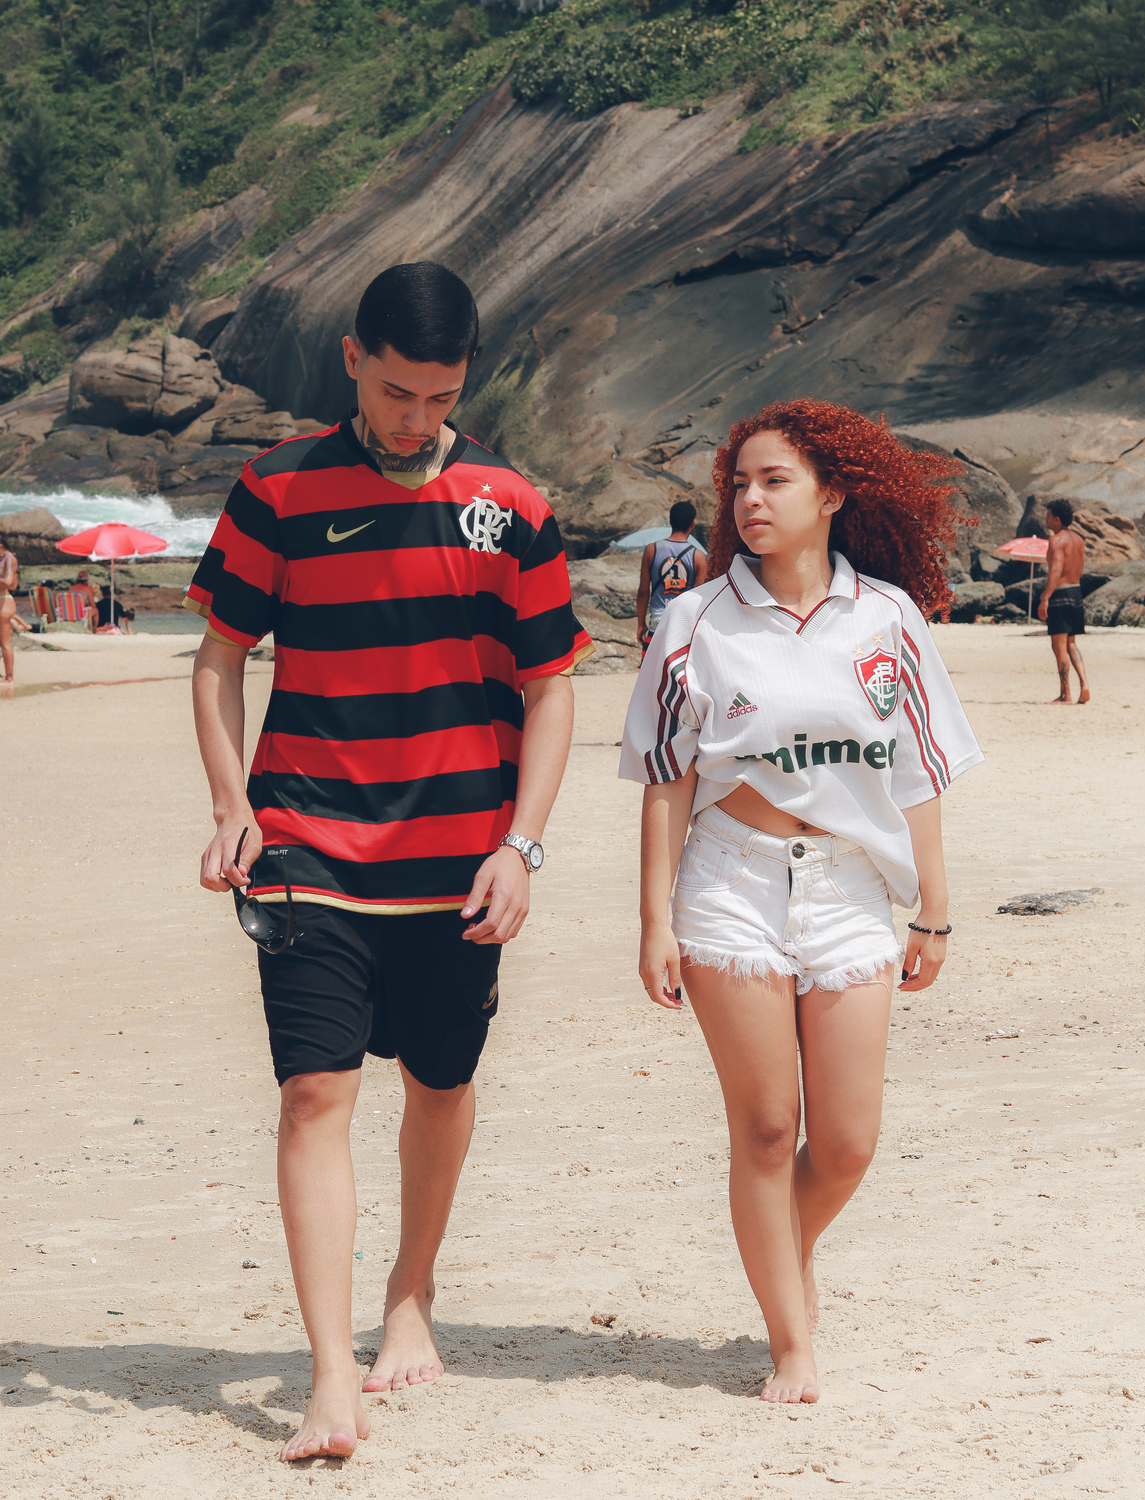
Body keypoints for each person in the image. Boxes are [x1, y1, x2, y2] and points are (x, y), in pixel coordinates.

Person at [187, 262, 592, 1464]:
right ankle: (330, 1375)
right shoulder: (276, 488)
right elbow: (219, 657)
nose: (415, 418)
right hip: (308, 841)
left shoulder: (511, 505)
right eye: (396, 391)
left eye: (441, 396)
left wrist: (522, 845)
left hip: (460, 858)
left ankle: (410, 1293)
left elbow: (551, 687)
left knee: (440, 1083)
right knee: (314, 1092)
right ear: (353, 358)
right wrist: (232, 806)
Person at [620, 400, 983, 1405]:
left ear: (832, 495)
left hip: (851, 886)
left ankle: (783, 1247)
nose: (751, 499)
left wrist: (934, 909)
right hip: (728, 881)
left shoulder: (888, 618)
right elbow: (666, 781)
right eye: (739, 483)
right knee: (770, 1130)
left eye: (774, 481)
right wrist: (653, 921)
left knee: (851, 1141)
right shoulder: (695, 619)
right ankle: (791, 1341)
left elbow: (918, 775)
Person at [636, 499, 708, 658]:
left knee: (650, 672)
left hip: (657, 627)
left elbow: (643, 592)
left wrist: (641, 624)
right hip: (682, 629)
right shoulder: (699, 557)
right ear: (693, 523)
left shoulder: (652, 550)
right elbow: (698, 599)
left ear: (671, 521)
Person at [1037, 498, 1089, 705]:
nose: (1046, 520)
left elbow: (1056, 569)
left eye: (1048, 516)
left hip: (1060, 595)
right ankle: (1084, 683)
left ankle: (1065, 694)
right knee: (1071, 644)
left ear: (1057, 519)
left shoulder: (1057, 540)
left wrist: (1046, 597)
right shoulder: (1079, 540)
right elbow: (1079, 569)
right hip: (1076, 593)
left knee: (1059, 647)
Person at [0, 534, 17, 681]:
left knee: (5, 643)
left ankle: (9, 677)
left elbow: (8, 581)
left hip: (3, 601)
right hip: (3, 600)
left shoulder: (9, 558)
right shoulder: (5, 559)